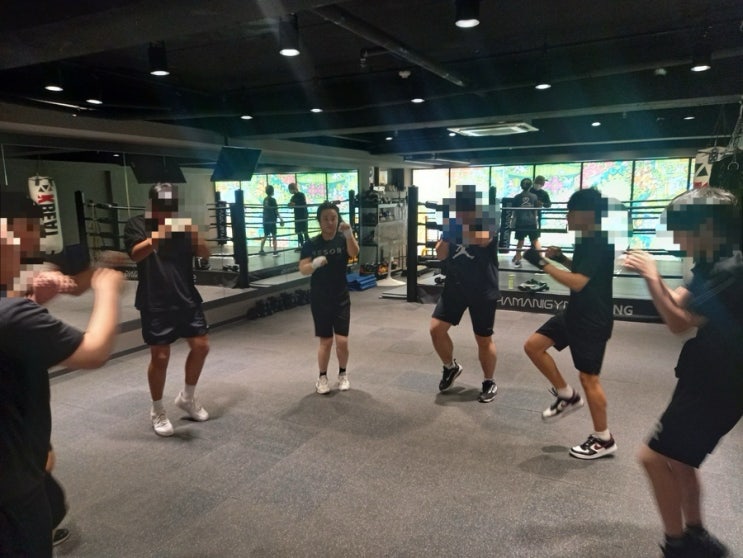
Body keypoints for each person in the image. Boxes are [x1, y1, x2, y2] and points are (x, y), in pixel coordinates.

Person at [0, 191, 122, 557]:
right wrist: (107, 288)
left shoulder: (13, 309)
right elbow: (94, 351)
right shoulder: (12, 316)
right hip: (12, 483)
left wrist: (31, 299)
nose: (27, 254)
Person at [624, 187, 742, 558]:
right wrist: (655, 279)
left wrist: (651, 276)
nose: (676, 240)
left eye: (680, 231)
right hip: (708, 374)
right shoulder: (714, 258)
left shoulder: (731, 268)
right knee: (679, 459)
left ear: (705, 226)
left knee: (652, 457)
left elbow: (678, 322)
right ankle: (696, 536)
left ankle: (676, 546)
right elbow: (679, 300)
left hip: (721, 384)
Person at [522, 188, 618, 459]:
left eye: (571, 212)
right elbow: (584, 270)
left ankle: (604, 439)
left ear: (585, 214)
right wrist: (561, 259)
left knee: (589, 378)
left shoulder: (598, 241)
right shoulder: (587, 238)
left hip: (593, 319)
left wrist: (543, 264)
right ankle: (566, 395)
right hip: (576, 312)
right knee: (533, 346)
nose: (567, 217)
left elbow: (578, 282)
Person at [124, 183, 211, 437]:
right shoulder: (136, 224)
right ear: (152, 204)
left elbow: (205, 253)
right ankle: (157, 409)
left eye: (171, 205)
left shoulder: (183, 226)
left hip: (186, 298)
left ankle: (187, 398)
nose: (167, 210)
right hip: (155, 300)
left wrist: (194, 234)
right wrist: (160, 234)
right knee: (160, 357)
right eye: (162, 205)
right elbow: (135, 255)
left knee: (201, 346)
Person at [431, 185, 500, 403]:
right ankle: (450, 367)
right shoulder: (452, 224)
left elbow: (482, 240)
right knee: (436, 330)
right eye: (459, 209)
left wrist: (456, 230)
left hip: (482, 289)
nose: (462, 213)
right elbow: (440, 254)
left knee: (483, 338)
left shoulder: (488, 220)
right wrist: (447, 236)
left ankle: (489, 381)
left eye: (466, 209)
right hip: (455, 286)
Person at [299, 201, 359, 394]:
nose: (330, 222)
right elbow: (303, 269)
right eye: (325, 219)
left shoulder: (342, 239)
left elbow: (354, 253)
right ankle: (322, 377)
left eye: (333, 218)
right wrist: (314, 264)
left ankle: (343, 374)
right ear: (319, 221)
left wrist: (349, 234)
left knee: (342, 341)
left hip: (340, 296)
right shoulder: (311, 244)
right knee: (326, 341)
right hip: (320, 298)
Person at [510, 178, 540, 268]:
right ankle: (542, 261)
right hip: (531, 221)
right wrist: (536, 221)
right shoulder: (534, 196)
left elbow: (514, 211)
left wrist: (513, 222)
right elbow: (535, 211)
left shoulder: (517, 197)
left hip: (520, 221)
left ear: (521, 186)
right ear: (530, 186)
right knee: (535, 241)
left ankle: (518, 260)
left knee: (520, 241)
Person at [259, 184, 284, 256]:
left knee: (265, 235)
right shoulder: (273, 200)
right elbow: (276, 211)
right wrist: (281, 219)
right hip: (272, 220)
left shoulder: (265, 199)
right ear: (272, 191)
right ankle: (275, 252)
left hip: (265, 220)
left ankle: (261, 250)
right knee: (274, 236)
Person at [288, 182, 309, 250]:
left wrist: (294, 204)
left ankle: (308, 247)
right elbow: (290, 205)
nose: (290, 191)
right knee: (299, 232)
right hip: (297, 217)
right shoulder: (293, 197)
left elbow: (303, 204)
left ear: (292, 189)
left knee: (305, 232)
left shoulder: (301, 195)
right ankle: (302, 247)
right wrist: (290, 205)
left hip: (303, 216)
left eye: (290, 190)